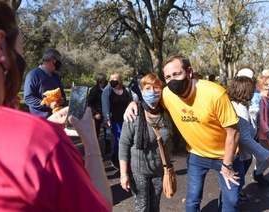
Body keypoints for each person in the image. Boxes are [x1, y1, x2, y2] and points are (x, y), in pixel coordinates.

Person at [0, 1, 112, 211]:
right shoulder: (42, 142)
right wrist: (90, 140)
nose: (22, 57)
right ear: (0, 47)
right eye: (21, 48)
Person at [124, 55, 241, 211]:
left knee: (231, 200)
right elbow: (151, 104)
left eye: (177, 74)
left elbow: (233, 132)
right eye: (168, 77)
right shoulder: (167, 94)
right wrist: (134, 103)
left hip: (224, 156)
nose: (172, 80)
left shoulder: (215, 93)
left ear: (189, 72)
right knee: (193, 199)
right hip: (196, 154)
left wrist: (227, 164)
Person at [119, 73, 173, 212]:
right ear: (141, 91)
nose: (152, 91)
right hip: (138, 171)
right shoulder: (134, 113)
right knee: (142, 207)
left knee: (155, 206)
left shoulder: (167, 113)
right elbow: (124, 144)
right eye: (148, 88)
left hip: (159, 170)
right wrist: (124, 174)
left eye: (156, 87)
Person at [226, 75, 269, 204]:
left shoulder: (241, 105)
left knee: (235, 184)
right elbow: (244, 138)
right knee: (234, 184)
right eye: (252, 88)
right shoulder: (239, 109)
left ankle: (234, 198)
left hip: (244, 153)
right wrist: (265, 155)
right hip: (240, 154)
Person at [102, 73, 138, 169]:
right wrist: (106, 118)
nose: (113, 80)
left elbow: (135, 97)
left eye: (115, 79)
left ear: (119, 80)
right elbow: (105, 104)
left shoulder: (126, 89)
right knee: (121, 138)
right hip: (114, 119)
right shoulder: (108, 90)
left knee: (128, 138)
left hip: (127, 119)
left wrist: (133, 104)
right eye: (111, 79)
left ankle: (123, 157)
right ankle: (117, 158)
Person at [24, 48, 66, 118]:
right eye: (59, 60)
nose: (60, 63)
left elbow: (62, 94)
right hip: (40, 119)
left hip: (56, 117)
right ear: (53, 60)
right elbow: (28, 98)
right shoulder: (33, 75)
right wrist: (48, 104)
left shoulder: (56, 76)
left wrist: (62, 100)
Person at [87, 72, 111, 154]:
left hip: (106, 113)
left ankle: (108, 148)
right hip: (97, 113)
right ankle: (95, 150)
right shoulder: (94, 90)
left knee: (107, 132)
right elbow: (89, 102)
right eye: (103, 79)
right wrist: (95, 113)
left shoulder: (108, 88)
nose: (105, 81)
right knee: (95, 133)